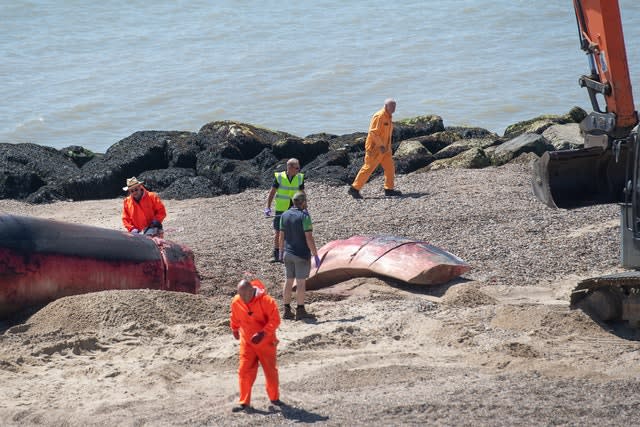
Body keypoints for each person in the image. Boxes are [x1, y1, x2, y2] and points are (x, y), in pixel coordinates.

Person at [230, 278, 282, 412]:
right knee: (244, 370)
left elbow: (275, 320)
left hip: (266, 342)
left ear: (252, 290)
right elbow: (235, 317)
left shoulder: (267, 301)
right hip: (247, 343)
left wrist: (263, 334)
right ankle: (244, 402)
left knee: (270, 371)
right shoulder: (237, 301)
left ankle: (274, 398)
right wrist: (234, 328)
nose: (243, 298)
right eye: (240, 295)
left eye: (245, 295)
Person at [279, 192, 320, 321]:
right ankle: (300, 310)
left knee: (288, 281)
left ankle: (286, 310)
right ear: (303, 202)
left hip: (287, 254)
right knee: (301, 283)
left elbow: (281, 236)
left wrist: (280, 252)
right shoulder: (304, 216)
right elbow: (309, 238)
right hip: (301, 254)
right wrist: (315, 255)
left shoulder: (284, 215)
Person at [348, 98, 402, 199]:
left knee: (390, 168)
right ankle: (354, 189)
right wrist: (380, 145)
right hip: (375, 149)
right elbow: (372, 132)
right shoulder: (379, 116)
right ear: (386, 106)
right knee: (368, 168)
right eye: (392, 106)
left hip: (385, 149)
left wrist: (387, 147)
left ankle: (389, 189)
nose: (394, 108)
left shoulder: (389, 116)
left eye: (395, 106)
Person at [265, 158, 305, 262]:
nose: (298, 170)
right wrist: (268, 207)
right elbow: (272, 193)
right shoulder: (279, 177)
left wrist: (305, 207)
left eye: (298, 168)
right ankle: (277, 255)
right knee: (278, 232)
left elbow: (302, 193)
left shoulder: (300, 178)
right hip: (281, 209)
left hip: (294, 208)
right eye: (296, 168)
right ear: (290, 168)